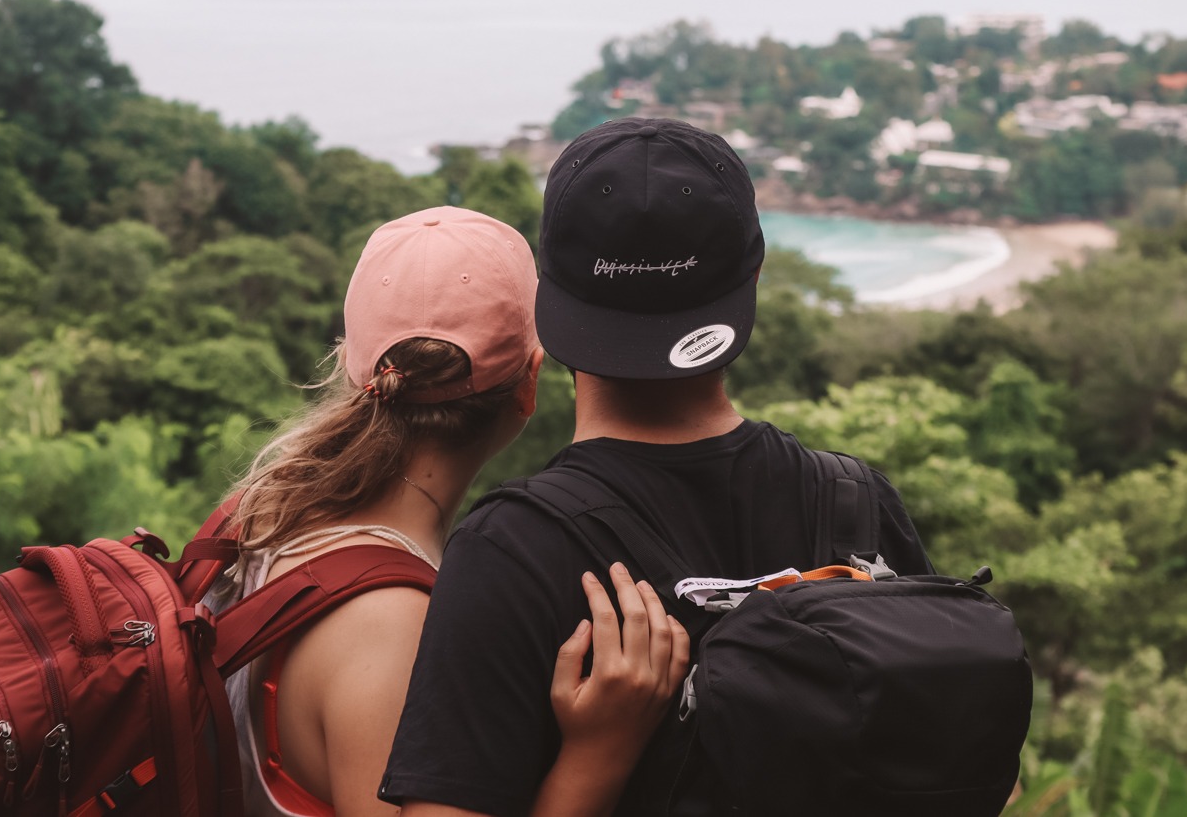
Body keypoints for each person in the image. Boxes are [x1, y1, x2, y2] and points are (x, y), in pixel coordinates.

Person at [380, 118, 935, 817]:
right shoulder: (859, 504)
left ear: (548, 295)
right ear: (754, 274)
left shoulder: (512, 553)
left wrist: (598, 756)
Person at [210, 205, 690, 817]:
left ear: (358, 365)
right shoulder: (393, 630)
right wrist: (600, 754)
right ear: (529, 383)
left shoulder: (264, 514)